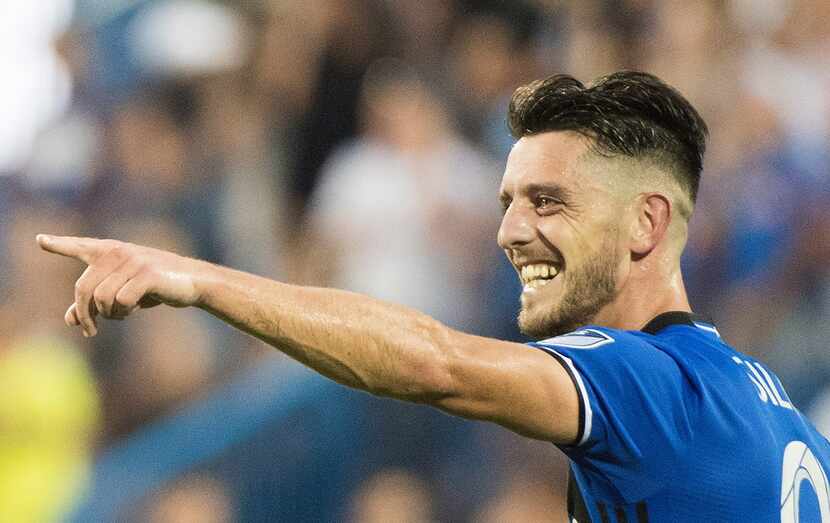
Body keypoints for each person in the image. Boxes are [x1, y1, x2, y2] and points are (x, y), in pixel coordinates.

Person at [38, 71, 830, 522]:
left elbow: (436, 364)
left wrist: (200, 279)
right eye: (506, 203)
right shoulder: (767, 402)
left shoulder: (642, 380)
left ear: (645, 224)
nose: (510, 232)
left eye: (547, 202)